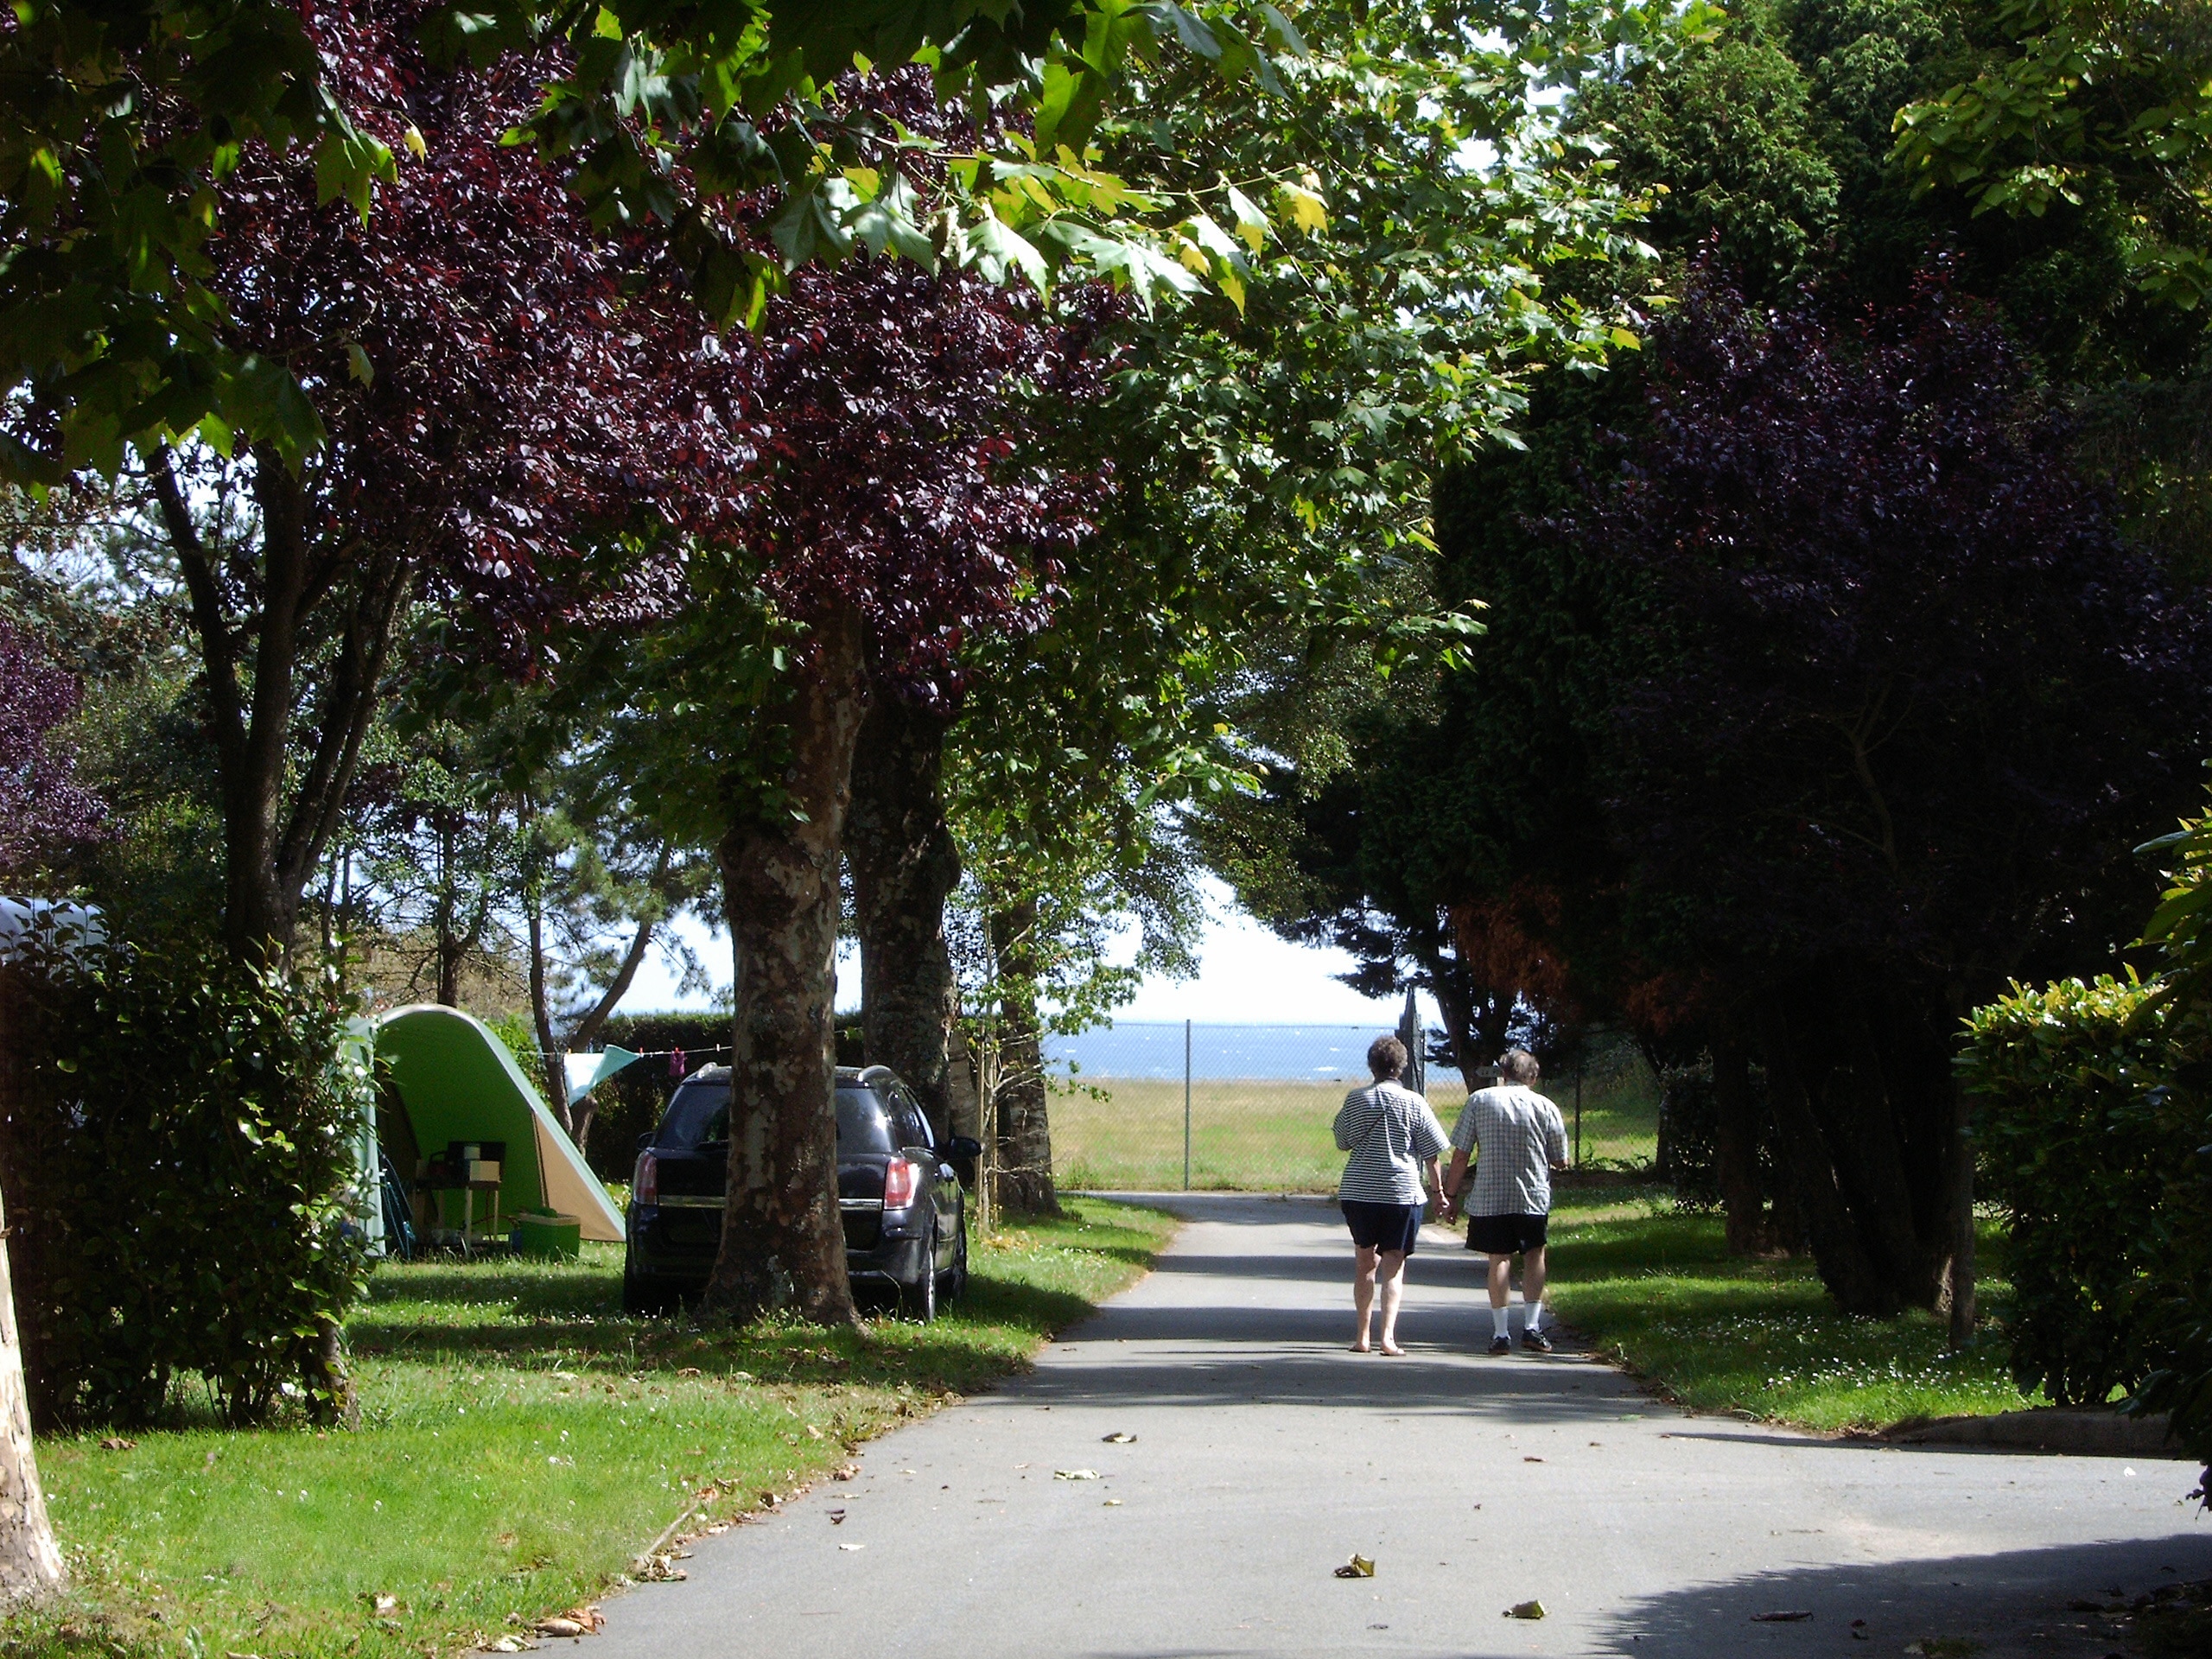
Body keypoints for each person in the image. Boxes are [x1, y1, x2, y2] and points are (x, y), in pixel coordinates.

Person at [1441, 1047, 1568, 1355]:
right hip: (1532, 1195)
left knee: (1498, 1259)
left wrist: (1450, 1194)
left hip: (1490, 1195)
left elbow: (1460, 1154)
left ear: (1503, 1074)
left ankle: (1500, 1333)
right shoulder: (1546, 1106)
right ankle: (1532, 1327)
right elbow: (1561, 1159)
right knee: (1534, 1255)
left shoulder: (1480, 1101)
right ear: (1533, 1077)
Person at [1333, 1033, 1449, 1356]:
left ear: (1372, 1066)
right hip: (1402, 1193)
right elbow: (1432, 1153)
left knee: (1364, 1262)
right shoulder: (1415, 1102)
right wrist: (1438, 1192)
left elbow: (1342, 1141)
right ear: (1401, 1067)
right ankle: (1388, 1338)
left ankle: (1362, 1336)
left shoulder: (1356, 1099)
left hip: (1360, 1192)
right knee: (1393, 1265)